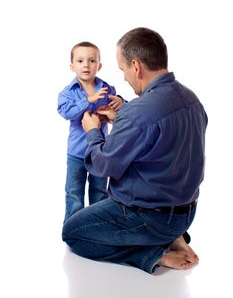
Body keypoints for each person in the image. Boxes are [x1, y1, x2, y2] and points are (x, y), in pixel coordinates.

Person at [62, 28, 208, 274]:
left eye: (123, 70)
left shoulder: (140, 111)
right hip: (186, 215)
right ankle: (173, 237)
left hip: (150, 219)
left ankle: (154, 254)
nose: (126, 78)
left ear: (136, 66)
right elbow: (158, 146)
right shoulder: (192, 99)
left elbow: (103, 166)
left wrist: (92, 130)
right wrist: (121, 122)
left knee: (72, 233)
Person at [58, 41, 124, 221]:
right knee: (74, 194)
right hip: (76, 153)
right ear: (72, 66)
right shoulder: (67, 92)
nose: (86, 65)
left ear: (99, 65)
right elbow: (66, 112)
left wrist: (120, 101)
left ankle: (95, 228)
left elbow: (119, 113)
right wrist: (89, 99)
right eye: (80, 61)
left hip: (100, 153)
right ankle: (73, 228)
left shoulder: (107, 88)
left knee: (99, 193)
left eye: (92, 60)